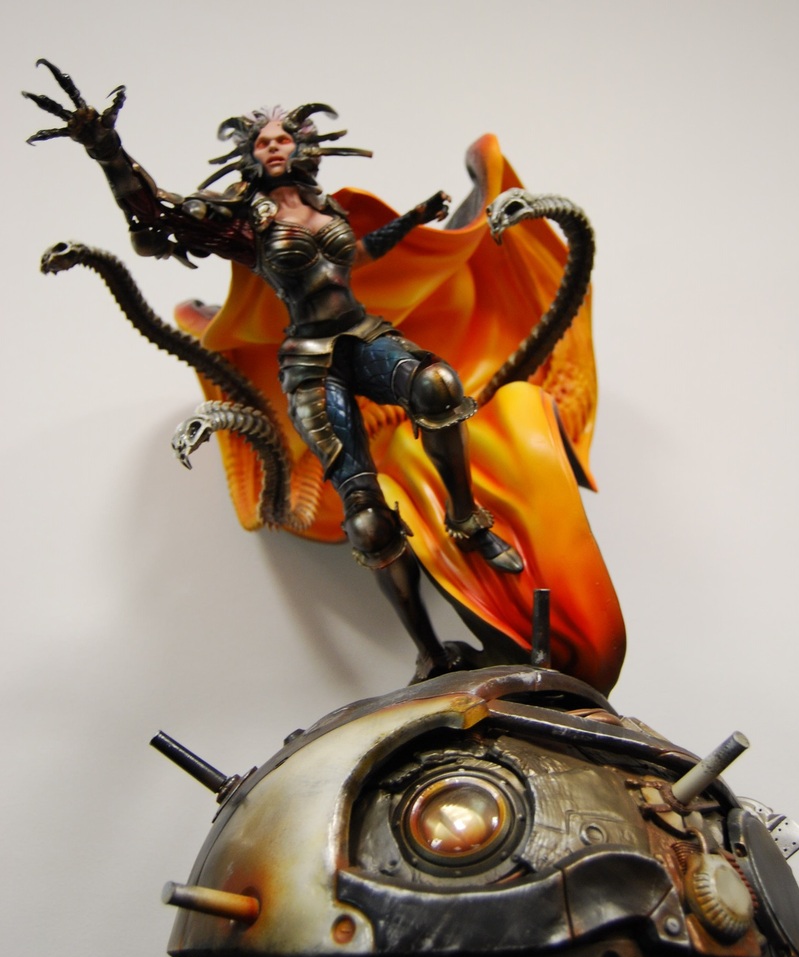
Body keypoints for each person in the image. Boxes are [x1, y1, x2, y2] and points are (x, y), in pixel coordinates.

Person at [25, 61, 522, 680]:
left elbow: (357, 254)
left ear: (303, 146)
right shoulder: (245, 219)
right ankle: (429, 652)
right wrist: (107, 150)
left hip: (364, 335)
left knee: (438, 384)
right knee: (367, 521)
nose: (274, 146)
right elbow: (157, 215)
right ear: (250, 155)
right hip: (311, 362)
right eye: (263, 142)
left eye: (283, 137)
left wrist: (413, 219)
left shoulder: (323, 204)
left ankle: (465, 519)